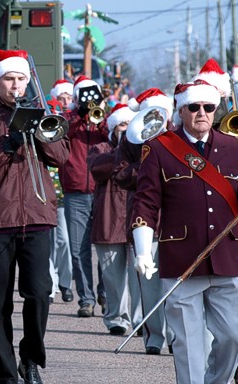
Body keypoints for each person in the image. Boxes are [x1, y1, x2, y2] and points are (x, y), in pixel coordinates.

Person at [131, 79, 238, 383]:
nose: (201, 113)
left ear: (216, 110)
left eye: (208, 107)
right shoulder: (160, 148)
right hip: (182, 259)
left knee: (233, 334)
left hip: (226, 255)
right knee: (189, 344)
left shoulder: (233, 145)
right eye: (194, 107)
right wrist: (142, 249)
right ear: (181, 110)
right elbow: (146, 202)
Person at [0, 49, 70, 384]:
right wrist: (6, 145)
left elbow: (61, 157)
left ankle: (30, 359)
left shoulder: (41, 112)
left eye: (22, 79)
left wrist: (39, 129)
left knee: (39, 292)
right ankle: (6, 374)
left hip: (37, 214)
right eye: (10, 79)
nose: (17, 85)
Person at [194, 57, 238, 384]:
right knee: (206, 305)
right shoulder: (192, 133)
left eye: (218, 99)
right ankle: (226, 366)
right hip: (202, 233)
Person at [120, 87, 176, 355]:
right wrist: (145, 170)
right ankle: (154, 336)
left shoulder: (178, 137)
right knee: (149, 282)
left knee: (177, 285)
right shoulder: (130, 139)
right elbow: (118, 172)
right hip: (147, 219)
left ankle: (177, 337)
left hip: (177, 221)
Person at [60, 75, 109, 318]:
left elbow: (115, 137)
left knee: (106, 246)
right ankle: (86, 298)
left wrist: (100, 117)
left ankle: (105, 292)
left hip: (103, 191)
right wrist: (80, 114)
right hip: (76, 191)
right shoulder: (70, 120)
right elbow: (60, 135)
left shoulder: (106, 119)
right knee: (79, 249)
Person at [87, 103, 135, 336]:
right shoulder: (101, 148)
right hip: (109, 218)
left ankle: (143, 321)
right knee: (113, 277)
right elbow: (97, 169)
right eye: (122, 125)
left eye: (129, 125)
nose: (125, 129)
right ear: (114, 127)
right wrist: (125, 150)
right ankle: (116, 318)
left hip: (137, 217)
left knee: (140, 278)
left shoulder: (144, 149)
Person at [47, 79, 74, 303]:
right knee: (46, 241)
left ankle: (66, 282)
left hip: (64, 196)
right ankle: (50, 283)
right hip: (44, 195)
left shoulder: (67, 130)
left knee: (63, 240)